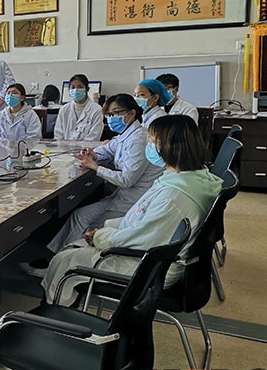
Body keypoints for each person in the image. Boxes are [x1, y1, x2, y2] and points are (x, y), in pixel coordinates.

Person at [42, 115, 223, 306]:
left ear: (172, 147)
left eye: (152, 142)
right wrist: (107, 230)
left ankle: (55, 311)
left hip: (150, 268)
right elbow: (145, 223)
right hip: (154, 254)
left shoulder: (174, 196)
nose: (148, 146)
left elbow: (144, 238)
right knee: (73, 248)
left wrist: (101, 236)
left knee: (64, 261)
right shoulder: (191, 177)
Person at [43, 94, 163, 255]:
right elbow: (107, 149)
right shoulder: (126, 134)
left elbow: (127, 180)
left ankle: (67, 258)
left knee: (90, 228)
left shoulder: (138, 139)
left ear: (132, 113)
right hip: (123, 196)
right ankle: (54, 256)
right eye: (109, 114)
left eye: (116, 113)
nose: (112, 118)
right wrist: (93, 154)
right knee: (79, 216)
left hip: (134, 200)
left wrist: (95, 167)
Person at [53, 74, 104, 141]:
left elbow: (94, 136)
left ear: (87, 89)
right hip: (64, 147)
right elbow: (58, 135)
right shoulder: (64, 109)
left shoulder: (96, 109)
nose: (76, 90)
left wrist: (79, 147)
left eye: (80, 87)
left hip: (87, 147)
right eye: (73, 87)